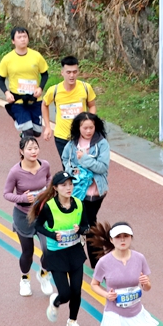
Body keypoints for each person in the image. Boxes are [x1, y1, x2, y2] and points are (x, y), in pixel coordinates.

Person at [30, 171, 86, 326]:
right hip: (56, 255)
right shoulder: (49, 207)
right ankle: (55, 301)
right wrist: (53, 235)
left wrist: (81, 229)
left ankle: (72, 322)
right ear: (55, 188)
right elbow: (37, 226)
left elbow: (87, 225)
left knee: (76, 290)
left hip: (75, 251)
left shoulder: (79, 204)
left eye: (70, 184)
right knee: (65, 294)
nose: (68, 188)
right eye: (64, 185)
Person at [2, 137, 53, 297]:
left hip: (43, 214)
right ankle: (25, 279)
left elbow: (50, 180)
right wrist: (23, 199)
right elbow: (7, 194)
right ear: (21, 151)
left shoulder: (45, 165)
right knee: (27, 252)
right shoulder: (15, 172)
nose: (33, 152)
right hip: (23, 216)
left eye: (35, 148)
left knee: (49, 249)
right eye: (29, 149)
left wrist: (49, 191)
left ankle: (44, 274)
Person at [61, 112, 110, 268]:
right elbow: (66, 161)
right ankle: (96, 262)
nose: (88, 131)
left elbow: (102, 167)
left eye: (91, 127)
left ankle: (96, 263)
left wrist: (84, 159)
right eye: (85, 128)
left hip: (95, 193)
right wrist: (74, 170)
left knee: (89, 225)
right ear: (79, 127)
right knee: (89, 225)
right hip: (78, 191)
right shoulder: (72, 144)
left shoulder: (101, 144)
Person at [0, 26, 49, 137]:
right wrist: (7, 92)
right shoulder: (7, 59)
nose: (22, 39)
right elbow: (0, 79)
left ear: (28, 39)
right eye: (19, 37)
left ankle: (24, 135)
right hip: (18, 101)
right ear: (13, 41)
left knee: (37, 132)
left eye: (25, 36)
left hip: (34, 99)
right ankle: (26, 151)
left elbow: (45, 74)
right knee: (28, 130)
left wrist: (40, 88)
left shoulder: (36, 56)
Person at [41, 56, 97, 157]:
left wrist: (90, 123)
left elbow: (92, 106)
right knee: (68, 168)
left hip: (81, 136)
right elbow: (44, 105)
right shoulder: (54, 90)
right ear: (62, 72)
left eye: (74, 72)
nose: (72, 75)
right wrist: (47, 127)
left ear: (78, 72)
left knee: (82, 167)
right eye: (68, 72)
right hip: (62, 137)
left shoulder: (85, 88)